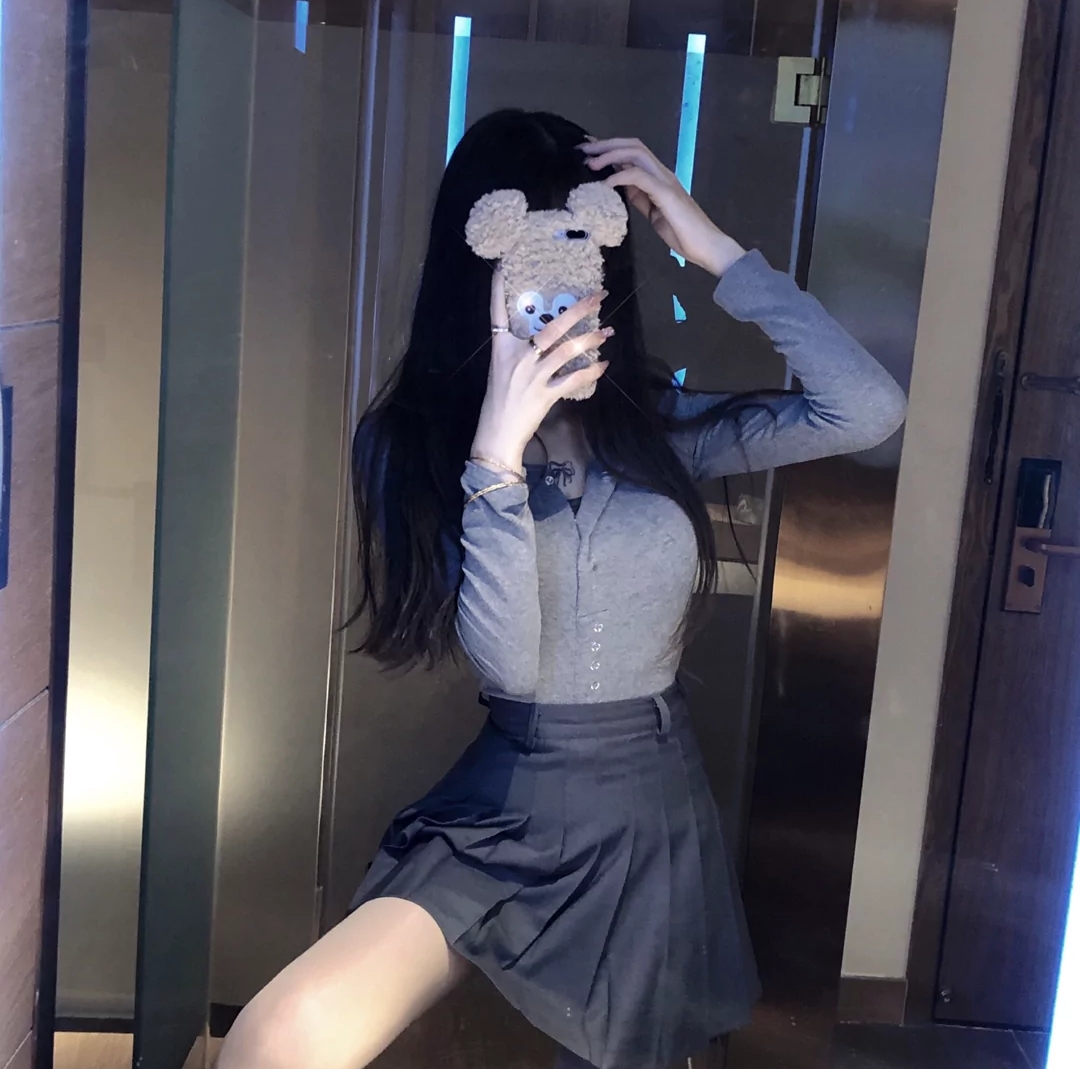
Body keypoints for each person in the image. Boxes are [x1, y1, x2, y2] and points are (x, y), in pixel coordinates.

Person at [216, 110, 907, 1069]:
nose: (558, 285)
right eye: (525, 254)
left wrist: (716, 251)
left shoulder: (655, 426)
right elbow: (510, 664)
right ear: (479, 262)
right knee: (279, 1036)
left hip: (649, 810)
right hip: (506, 804)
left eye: (580, 251)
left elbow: (867, 408)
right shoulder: (410, 444)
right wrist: (495, 458)